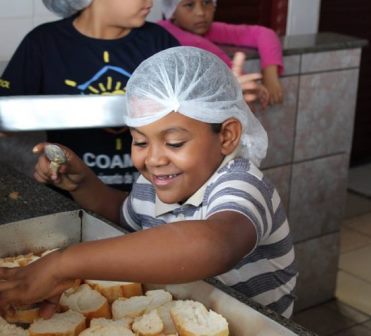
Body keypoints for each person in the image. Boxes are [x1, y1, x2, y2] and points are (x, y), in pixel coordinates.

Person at [0, 47, 297, 318]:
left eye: (175, 142)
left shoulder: (242, 184)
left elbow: (214, 244)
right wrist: (82, 185)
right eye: (140, 141)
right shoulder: (154, 182)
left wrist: (62, 264)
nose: (153, 159)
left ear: (227, 135)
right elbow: (124, 214)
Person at [0, 0, 179, 192]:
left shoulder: (158, 41)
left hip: (151, 190)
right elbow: (6, 117)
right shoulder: (43, 43)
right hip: (72, 190)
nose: (150, 2)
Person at [158, 0, 284, 105]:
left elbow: (263, 33)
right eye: (189, 5)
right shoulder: (162, 34)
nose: (201, 12)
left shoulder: (209, 29)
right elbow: (204, 50)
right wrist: (247, 85)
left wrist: (270, 75)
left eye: (207, 2)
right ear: (172, 11)